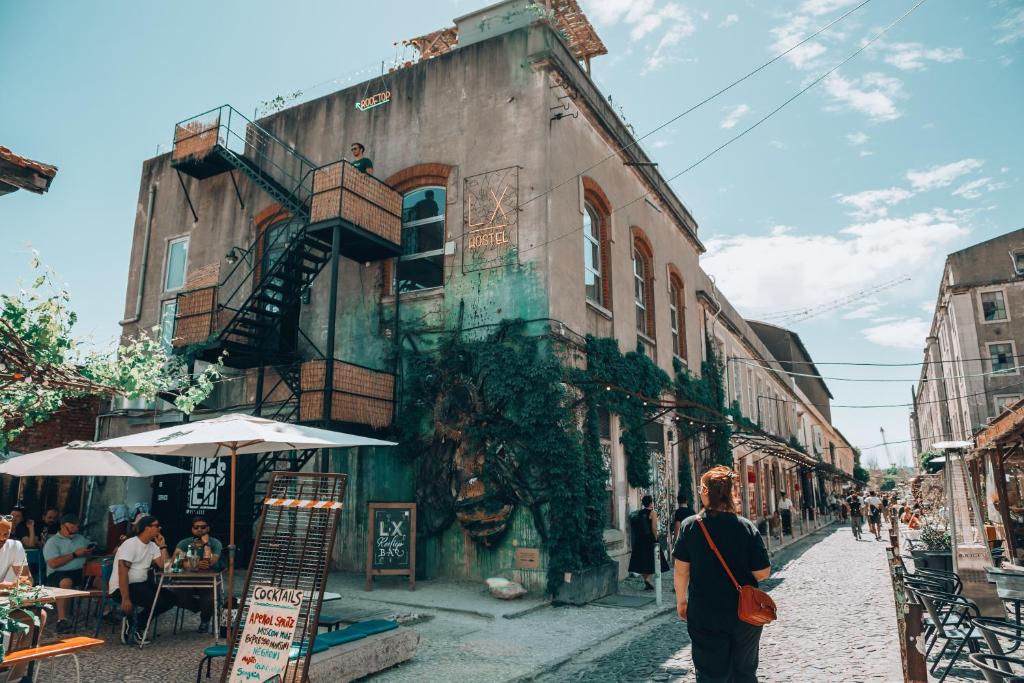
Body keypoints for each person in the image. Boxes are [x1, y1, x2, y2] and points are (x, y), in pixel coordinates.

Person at [674, 466, 771, 683]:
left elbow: (681, 571)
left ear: (706, 491)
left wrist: (681, 602)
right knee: (744, 673)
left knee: (710, 675)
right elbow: (763, 572)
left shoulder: (690, 526)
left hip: (705, 613)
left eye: (701, 488)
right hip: (744, 614)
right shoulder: (746, 527)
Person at [109, 515, 174, 645]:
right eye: (156, 525)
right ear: (146, 528)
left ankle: (136, 623)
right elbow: (122, 572)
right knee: (157, 600)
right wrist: (125, 598)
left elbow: (165, 566)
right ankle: (136, 626)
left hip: (141, 585)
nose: (159, 528)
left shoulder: (152, 545)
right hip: (122, 587)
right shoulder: (130, 544)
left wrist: (162, 546)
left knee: (171, 599)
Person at [42, 512, 93, 633]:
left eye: (76, 528)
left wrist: (89, 552)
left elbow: (89, 553)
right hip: (58, 573)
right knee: (66, 582)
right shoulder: (52, 542)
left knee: (100, 578)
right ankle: (62, 620)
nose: (74, 531)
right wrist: (75, 554)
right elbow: (53, 563)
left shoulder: (80, 538)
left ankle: (106, 611)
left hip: (80, 571)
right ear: (63, 526)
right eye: (71, 529)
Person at [172, 516, 223, 633]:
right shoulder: (184, 543)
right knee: (175, 593)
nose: (199, 529)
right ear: (192, 529)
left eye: (203, 527)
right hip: (187, 578)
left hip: (208, 579)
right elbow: (176, 562)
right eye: (196, 527)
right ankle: (200, 607)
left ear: (208, 528)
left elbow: (210, 562)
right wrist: (193, 564)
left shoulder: (215, 543)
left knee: (210, 598)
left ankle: (205, 620)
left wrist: (206, 545)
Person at [628, 495, 659, 590]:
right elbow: (653, 528)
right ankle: (648, 579)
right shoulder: (653, 513)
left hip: (639, 539)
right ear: (651, 503)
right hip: (649, 538)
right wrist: (656, 537)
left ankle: (646, 580)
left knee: (641, 561)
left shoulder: (639, 513)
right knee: (652, 560)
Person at [0, 517, 31, 587]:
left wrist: (12, 584)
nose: (2, 538)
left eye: (6, 534)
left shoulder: (15, 546)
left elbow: (28, 580)